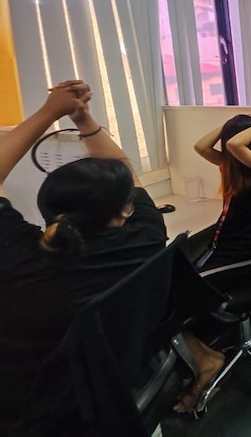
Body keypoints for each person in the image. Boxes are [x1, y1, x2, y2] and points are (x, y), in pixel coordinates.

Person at [0, 81, 166, 429]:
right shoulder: (146, 236)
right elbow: (124, 167)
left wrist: (50, 112)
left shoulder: (19, 255)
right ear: (124, 211)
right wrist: (83, 120)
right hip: (106, 388)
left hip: (28, 409)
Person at [176, 113, 251, 413]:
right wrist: (227, 128)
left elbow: (236, 144)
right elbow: (201, 146)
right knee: (178, 280)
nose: (228, 146)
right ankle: (205, 344)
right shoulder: (234, 165)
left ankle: (208, 361)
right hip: (222, 248)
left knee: (177, 294)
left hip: (242, 256)